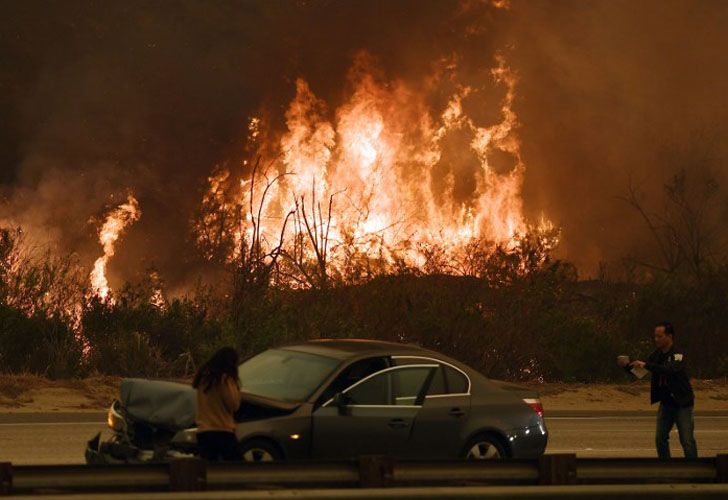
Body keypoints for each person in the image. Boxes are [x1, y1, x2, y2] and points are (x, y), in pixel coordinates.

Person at [619, 322, 697, 459]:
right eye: (655, 336)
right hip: (666, 403)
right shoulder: (656, 355)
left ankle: (694, 469)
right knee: (660, 438)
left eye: (660, 336)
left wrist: (647, 365)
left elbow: (670, 369)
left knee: (687, 440)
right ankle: (666, 467)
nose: (656, 339)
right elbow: (641, 372)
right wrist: (626, 366)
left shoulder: (678, 354)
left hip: (682, 403)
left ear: (669, 336)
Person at [193, 347, 242, 461]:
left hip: (203, 431)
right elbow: (233, 404)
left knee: (210, 471)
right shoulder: (225, 379)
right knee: (237, 467)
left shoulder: (204, 378)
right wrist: (236, 388)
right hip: (222, 430)